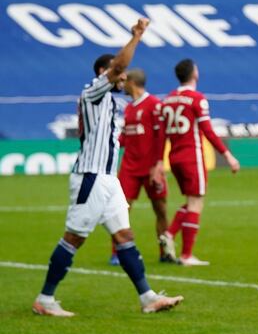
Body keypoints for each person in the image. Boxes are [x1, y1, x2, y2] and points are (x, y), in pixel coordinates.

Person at [32, 18, 183, 317]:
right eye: (119, 70)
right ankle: (45, 299)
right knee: (74, 237)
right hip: (91, 177)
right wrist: (137, 36)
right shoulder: (93, 91)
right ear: (105, 72)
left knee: (124, 236)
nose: (124, 75)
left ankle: (147, 297)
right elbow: (117, 67)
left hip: (107, 179)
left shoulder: (109, 102)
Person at [157, 59, 240, 266]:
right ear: (194, 73)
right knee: (196, 202)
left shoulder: (168, 99)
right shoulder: (197, 99)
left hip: (173, 156)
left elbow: (161, 134)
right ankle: (186, 255)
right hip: (191, 156)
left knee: (191, 201)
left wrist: (160, 160)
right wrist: (227, 155)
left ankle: (169, 234)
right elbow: (207, 131)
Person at [109, 68, 172, 266]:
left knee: (160, 209)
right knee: (120, 209)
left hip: (151, 167)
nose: (122, 85)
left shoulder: (154, 105)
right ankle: (117, 253)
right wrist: (110, 144)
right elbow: (125, 137)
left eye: (124, 82)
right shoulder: (129, 108)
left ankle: (165, 251)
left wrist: (159, 164)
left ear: (132, 82)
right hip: (129, 168)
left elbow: (161, 135)